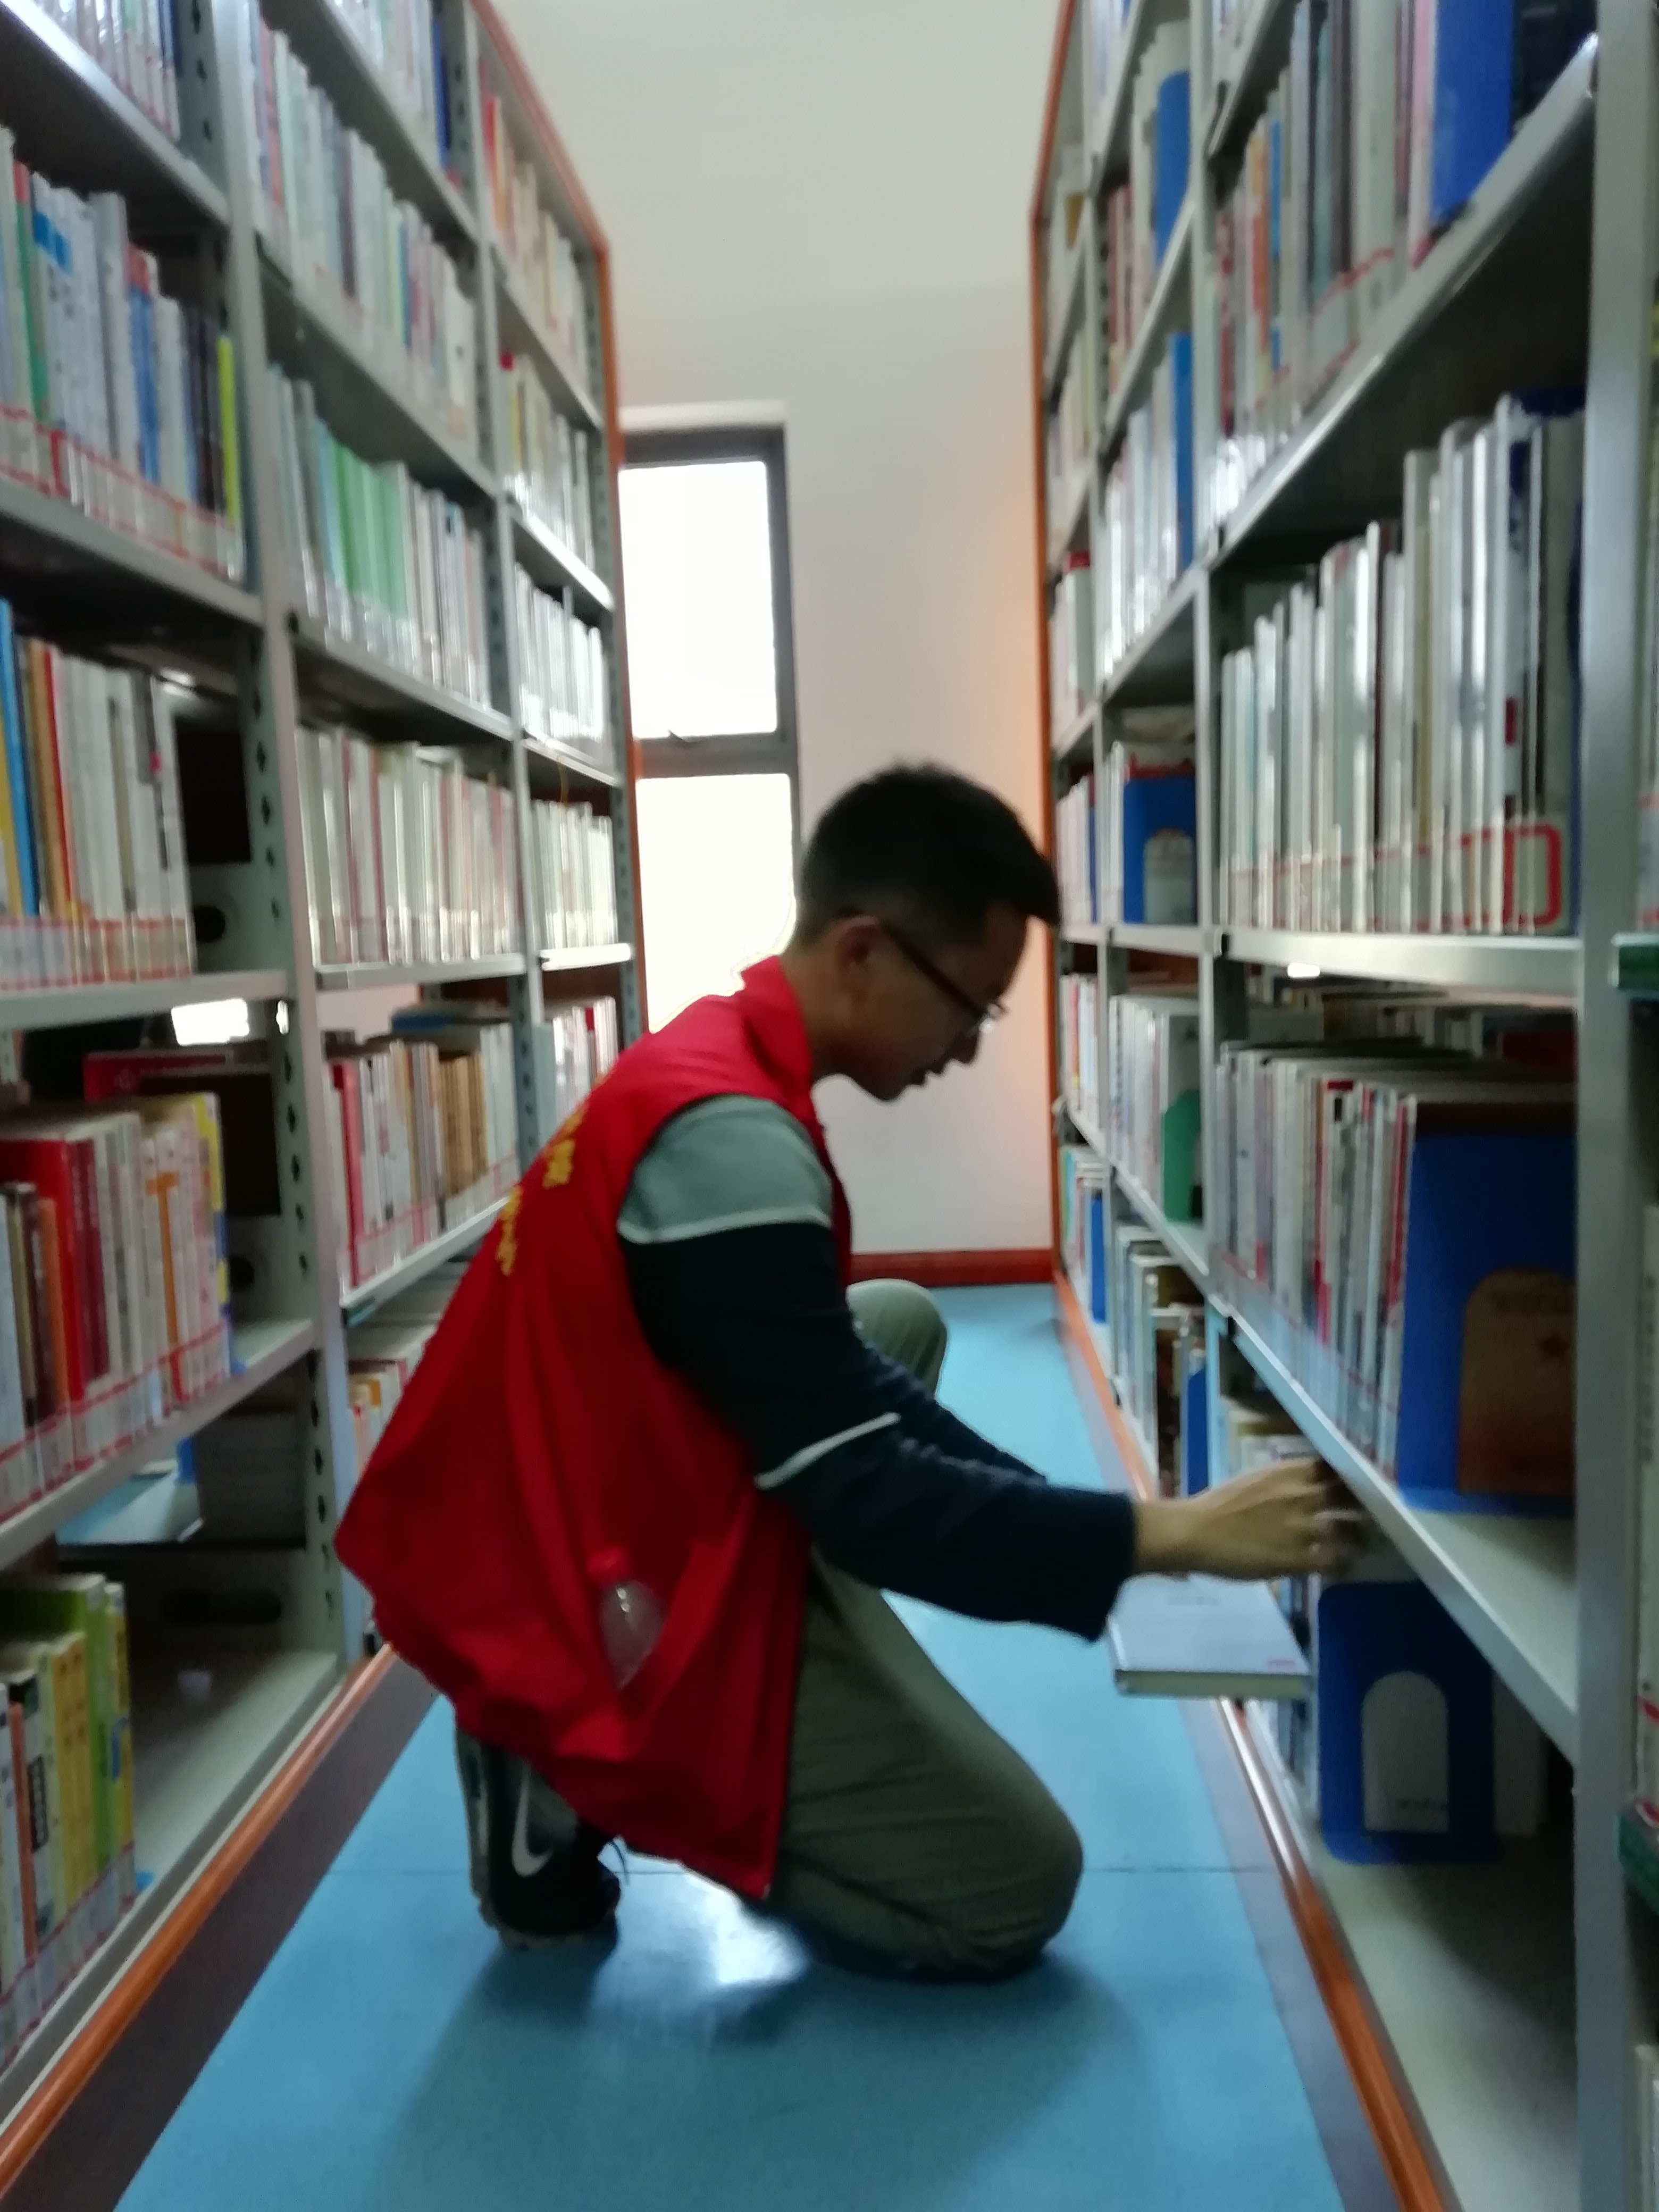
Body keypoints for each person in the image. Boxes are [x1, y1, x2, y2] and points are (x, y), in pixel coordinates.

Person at [336, 764, 1354, 1979]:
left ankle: (732, 1675)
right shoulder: (732, 1142)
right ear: (863, 952)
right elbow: (866, 1496)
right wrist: (1163, 1538)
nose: (967, 1050)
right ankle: (569, 1764)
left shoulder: (721, 1051)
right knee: (1019, 1887)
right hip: (585, 1588)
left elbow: (849, 1381)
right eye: (969, 1009)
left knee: (891, 1323)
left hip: (578, 1500)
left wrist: (1072, 1518)